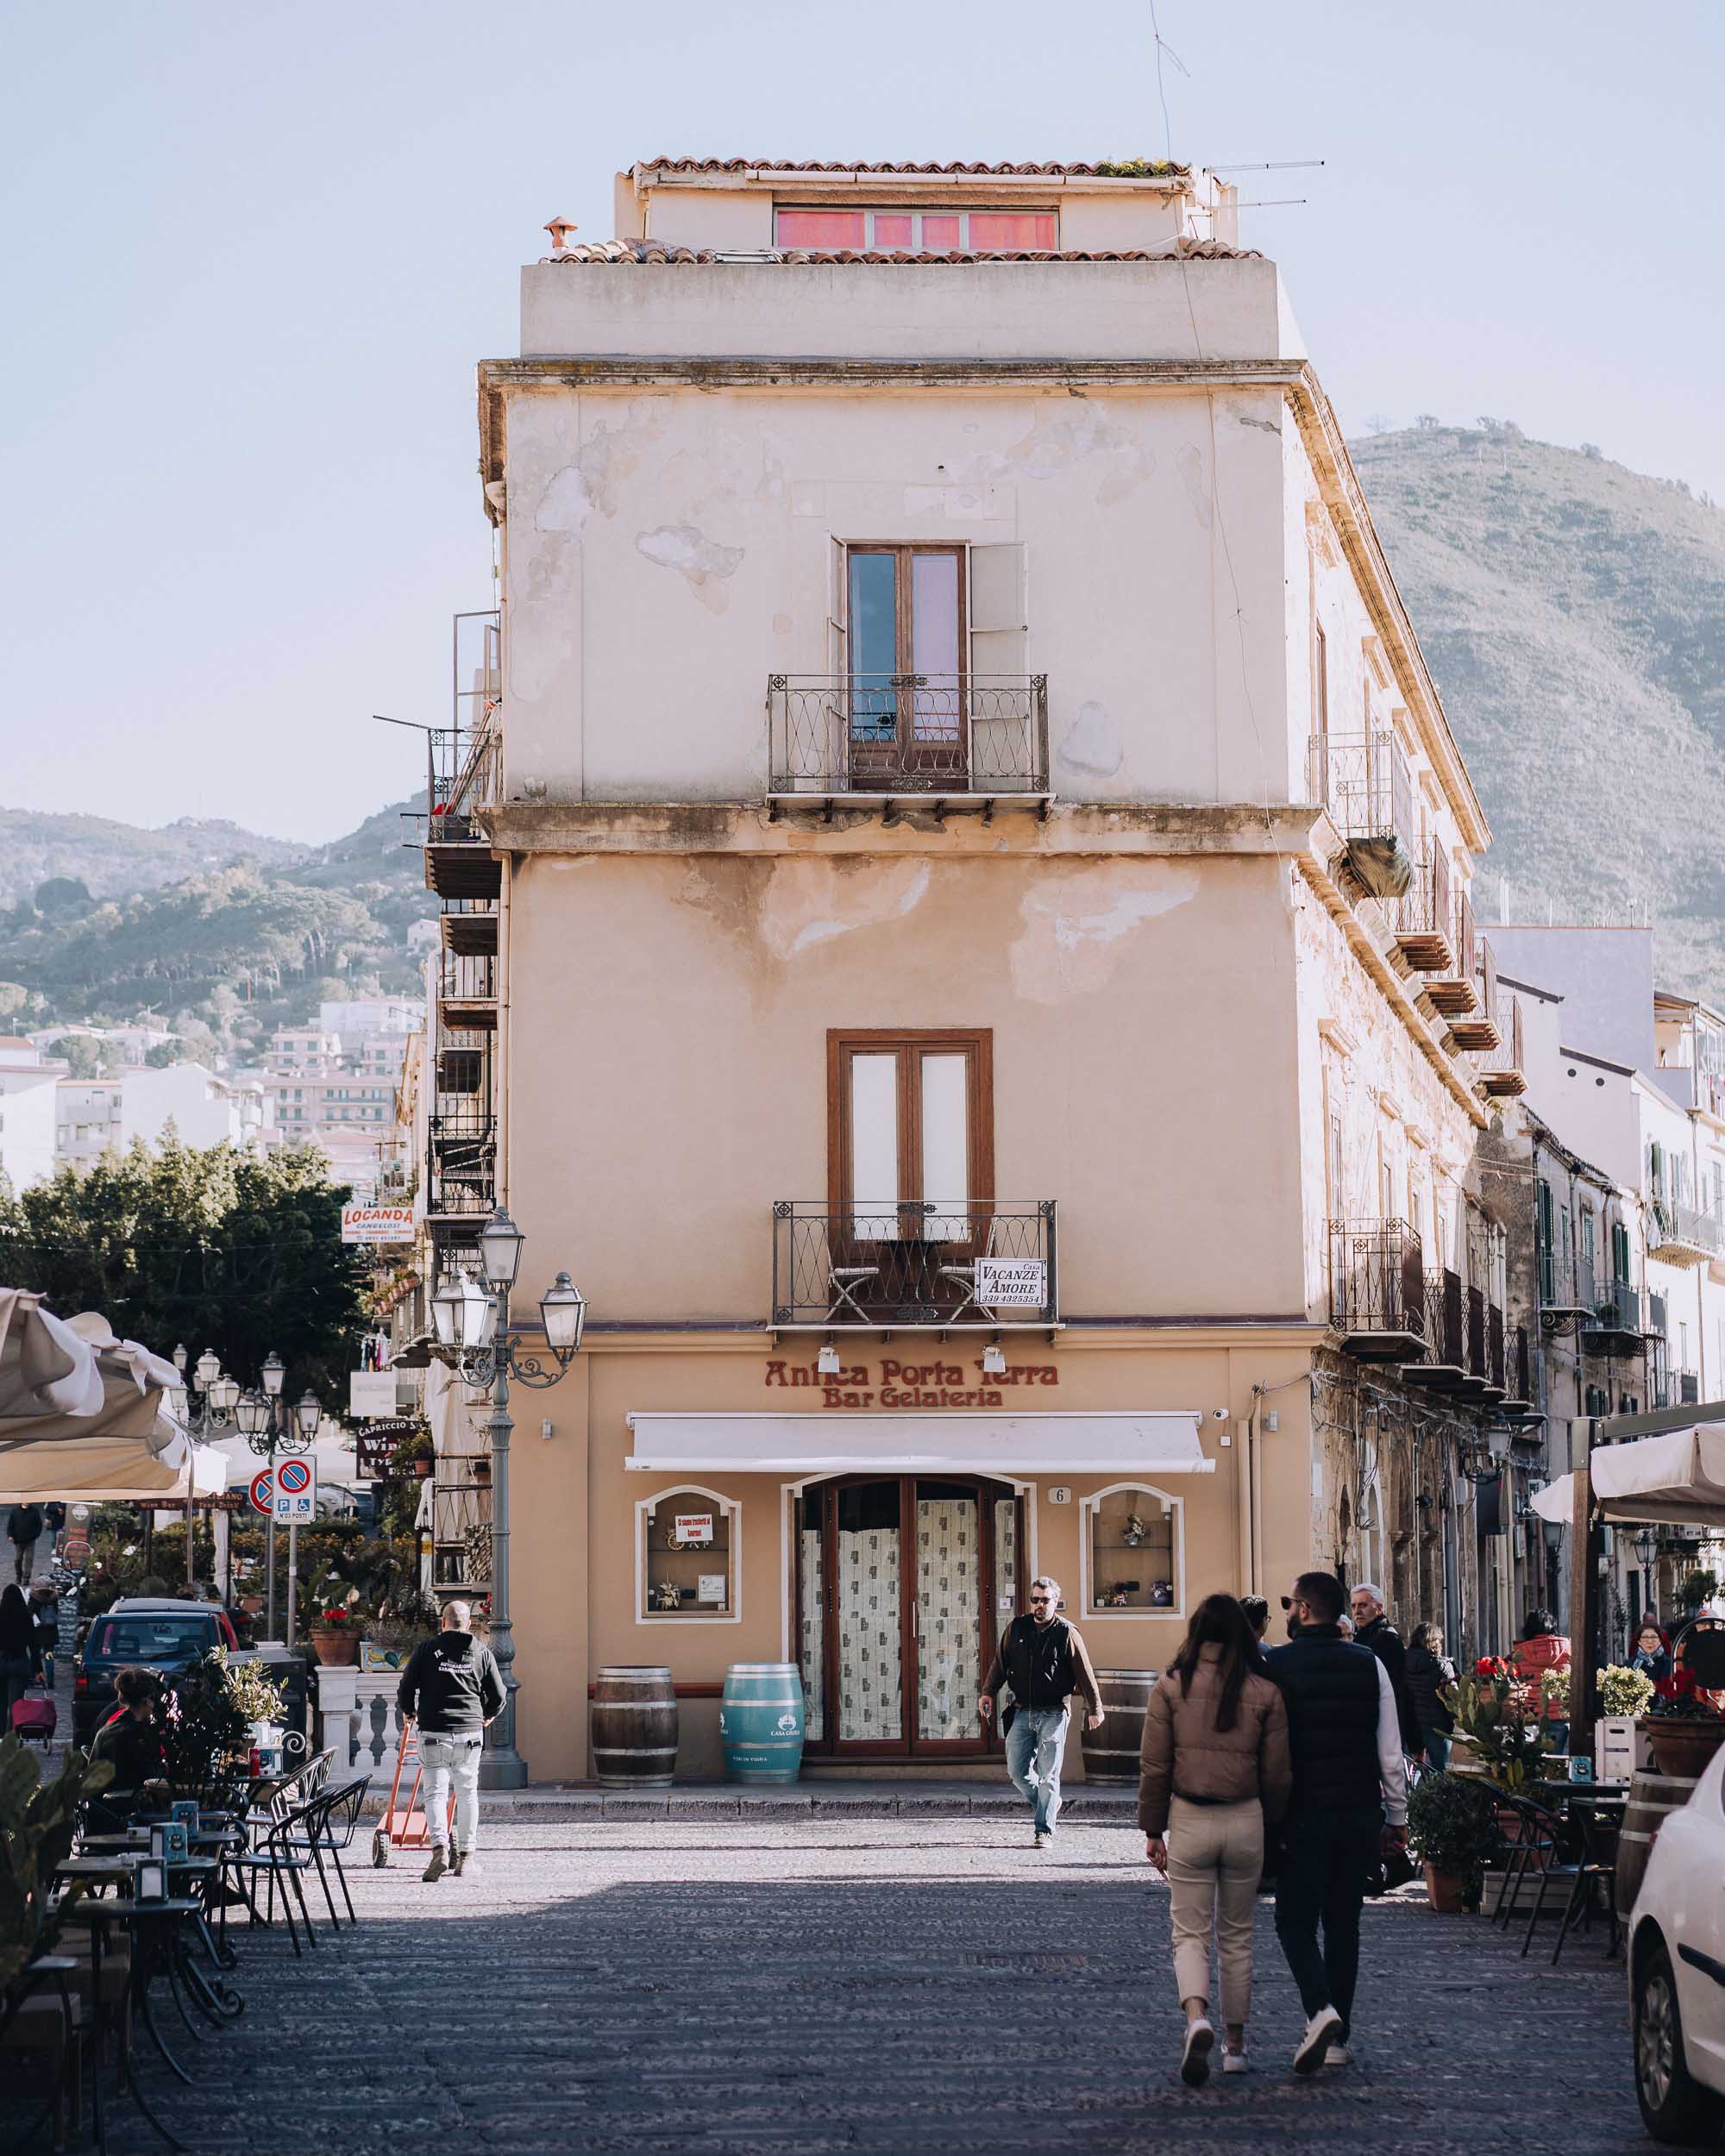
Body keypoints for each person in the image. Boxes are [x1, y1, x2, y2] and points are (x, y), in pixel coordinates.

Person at [1139, 1593, 1291, 2084]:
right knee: (1238, 1937)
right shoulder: (1265, 1691)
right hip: (1245, 1817)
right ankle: (1236, 2045)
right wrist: (1273, 1823)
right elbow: (1277, 1774)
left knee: (1189, 1932)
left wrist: (1152, 1829)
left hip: (1189, 1817)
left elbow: (1155, 1767)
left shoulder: (1170, 1687)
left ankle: (1196, 2018)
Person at [1266, 1571, 1408, 2075]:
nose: (1285, 1611)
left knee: (1293, 1920)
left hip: (1300, 1815)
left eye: (1289, 1603)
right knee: (1344, 1924)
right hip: (1356, 1813)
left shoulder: (1274, 1665)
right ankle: (1338, 2036)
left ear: (1304, 1610)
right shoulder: (1369, 1665)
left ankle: (1319, 2008)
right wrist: (1397, 1815)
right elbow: (1390, 1752)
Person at [978, 1576, 1104, 1849]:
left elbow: (1085, 1673)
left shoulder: (1067, 1632)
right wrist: (988, 1692)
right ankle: (1050, 1804)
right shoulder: (1017, 1628)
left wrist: (1095, 1707)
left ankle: (1043, 1830)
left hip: (1055, 1712)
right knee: (1016, 1771)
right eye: (1035, 1599)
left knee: (1049, 1775)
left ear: (1055, 1602)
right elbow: (1000, 1664)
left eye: (1045, 1600)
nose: (1039, 1605)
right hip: (1023, 1710)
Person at [397, 1600, 505, 1882]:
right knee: (467, 1794)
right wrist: (488, 1715)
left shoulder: (426, 1650)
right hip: (469, 1732)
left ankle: (440, 1849)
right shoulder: (481, 1652)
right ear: (468, 1624)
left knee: (435, 1793)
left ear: (443, 1622)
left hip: (433, 1731)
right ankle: (467, 1858)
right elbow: (499, 1694)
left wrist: (409, 1712)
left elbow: (406, 1685)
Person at [88, 1666, 170, 1826]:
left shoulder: (108, 1729)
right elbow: (151, 1778)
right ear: (147, 1701)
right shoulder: (136, 1734)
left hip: (98, 1815)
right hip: (123, 1818)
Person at [1349, 1582, 1421, 1756]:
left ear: (1379, 1609)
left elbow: (1401, 1689)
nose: (1357, 1611)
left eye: (1363, 1605)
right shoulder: (1363, 1636)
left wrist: (1415, 1742)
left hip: (1383, 1727)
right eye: (1354, 1606)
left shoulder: (1386, 1639)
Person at [1509, 1608, 1572, 1751]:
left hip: (1532, 1716)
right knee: (1559, 1765)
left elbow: (1518, 1682)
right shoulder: (1568, 1648)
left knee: (1534, 1765)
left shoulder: (1520, 1653)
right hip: (1561, 1715)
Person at [1404, 1621, 1458, 1771]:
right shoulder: (1443, 1666)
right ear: (1435, 1642)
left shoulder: (1404, 1662)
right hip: (1438, 1726)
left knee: (1412, 1773)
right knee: (1442, 1772)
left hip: (1413, 1726)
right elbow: (1453, 1698)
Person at [0, 1581, 43, 1730]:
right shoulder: (25, 1616)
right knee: (16, 1704)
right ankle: (11, 1736)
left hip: (1, 1662)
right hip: (19, 1662)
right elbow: (34, 1646)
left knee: (1, 1703)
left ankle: (0, 1737)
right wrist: (39, 1670)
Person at [28, 1580, 60, 1689]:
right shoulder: (54, 1598)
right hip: (50, 1633)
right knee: (49, 1657)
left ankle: (32, 1679)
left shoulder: (34, 1598)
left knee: (35, 1656)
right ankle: (50, 1681)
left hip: (37, 1632)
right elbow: (56, 1612)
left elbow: (30, 1613)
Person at [7, 1504, 43, 1587]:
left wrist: (35, 1536)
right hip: (18, 1540)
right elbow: (10, 1525)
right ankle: (19, 1575)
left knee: (29, 1559)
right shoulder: (15, 1511)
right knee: (17, 1559)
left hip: (30, 1541)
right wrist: (10, 1535)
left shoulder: (34, 1511)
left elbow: (39, 1526)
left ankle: (26, 1577)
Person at [1631, 1621, 1672, 1685]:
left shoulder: (1668, 1663)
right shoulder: (1630, 1664)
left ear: (1660, 1641)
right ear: (1639, 1641)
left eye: (1653, 1637)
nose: (1649, 1641)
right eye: (1645, 1637)